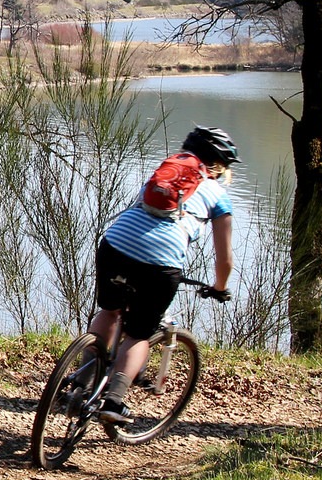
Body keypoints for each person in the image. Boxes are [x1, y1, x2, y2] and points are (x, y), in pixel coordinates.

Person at [90, 126, 238, 424]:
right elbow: (224, 258)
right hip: (160, 261)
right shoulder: (218, 195)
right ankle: (114, 400)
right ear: (219, 167)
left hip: (116, 243)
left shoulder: (166, 172)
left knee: (109, 311)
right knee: (138, 334)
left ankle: (81, 382)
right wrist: (220, 287)